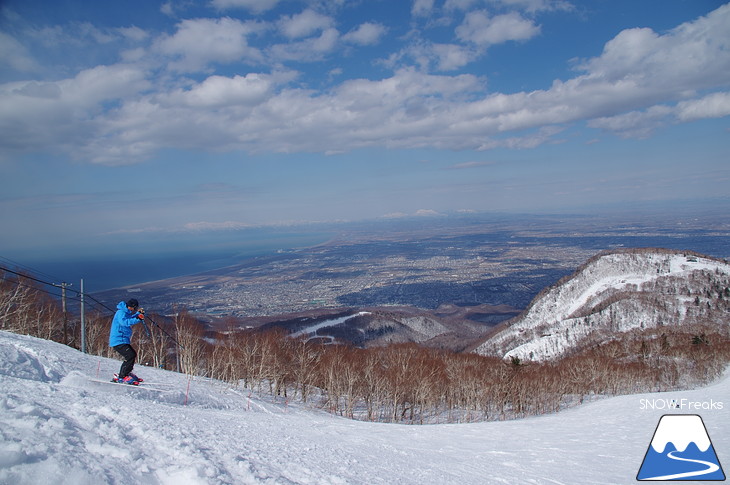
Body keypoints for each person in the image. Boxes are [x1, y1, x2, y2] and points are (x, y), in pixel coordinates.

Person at [109, 298, 145, 384]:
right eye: (135, 308)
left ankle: (125, 373)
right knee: (130, 355)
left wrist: (138, 314)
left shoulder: (125, 312)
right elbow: (124, 322)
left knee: (132, 355)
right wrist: (138, 319)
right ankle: (123, 376)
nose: (135, 309)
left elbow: (130, 317)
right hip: (118, 340)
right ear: (131, 307)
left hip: (123, 339)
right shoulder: (121, 312)